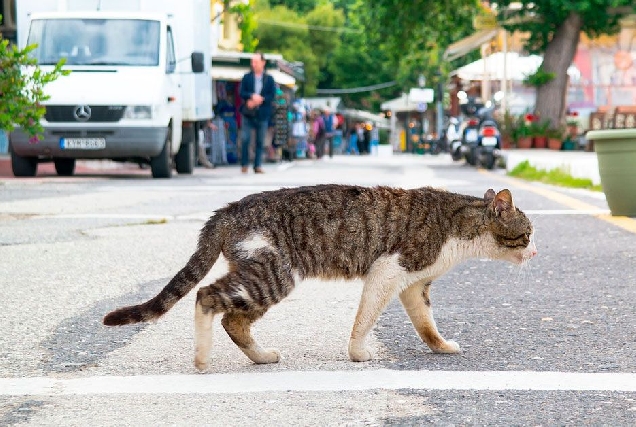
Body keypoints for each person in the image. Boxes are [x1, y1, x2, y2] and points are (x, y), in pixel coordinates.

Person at [239, 52, 276, 174]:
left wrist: (261, 99)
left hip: (262, 113)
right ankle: (244, 164)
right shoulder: (247, 77)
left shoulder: (269, 79)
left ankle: (257, 165)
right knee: (245, 139)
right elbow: (241, 92)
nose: (253, 64)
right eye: (252, 62)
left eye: (256, 61)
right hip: (248, 113)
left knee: (260, 141)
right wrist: (251, 97)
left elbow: (272, 95)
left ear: (263, 62)